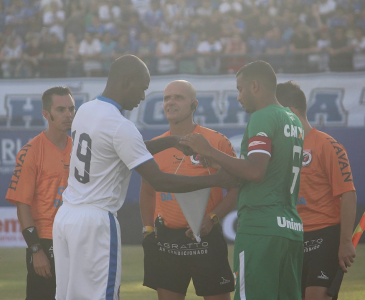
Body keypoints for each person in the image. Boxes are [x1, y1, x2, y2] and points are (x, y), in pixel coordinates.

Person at [52, 54, 235, 300]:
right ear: (128, 81)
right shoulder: (121, 126)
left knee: (68, 296)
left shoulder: (85, 110)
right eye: (142, 89)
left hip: (66, 216)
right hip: (95, 222)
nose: (142, 96)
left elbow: (124, 148)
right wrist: (215, 180)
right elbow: (159, 181)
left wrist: (171, 141)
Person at [180, 61, 304, 300]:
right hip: (290, 229)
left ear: (255, 86)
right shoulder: (293, 120)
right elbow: (269, 170)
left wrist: (211, 151)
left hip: (261, 227)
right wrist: (216, 163)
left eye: (240, 89)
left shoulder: (262, 117)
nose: (238, 97)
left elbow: (255, 171)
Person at [140, 80, 237, 300]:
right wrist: (147, 230)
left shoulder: (215, 141)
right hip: (167, 239)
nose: (170, 102)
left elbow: (235, 188)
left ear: (194, 105)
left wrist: (212, 218)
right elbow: (147, 191)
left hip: (206, 235)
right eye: (166, 98)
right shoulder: (156, 145)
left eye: (178, 97)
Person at [276, 81, 357, 300]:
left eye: (276, 114)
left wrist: (346, 241)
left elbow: (348, 193)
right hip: (290, 237)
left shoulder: (327, 145)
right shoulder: (279, 150)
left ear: (291, 112)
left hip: (325, 236)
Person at [5, 86, 76, 300]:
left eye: (72, 108)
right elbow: (22, 205)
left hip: (76, 238)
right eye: (61, 109)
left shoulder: (80, 148)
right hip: (46, 240)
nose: (68, 114)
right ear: (46, 114)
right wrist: (36, 250)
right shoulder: (31, 151)